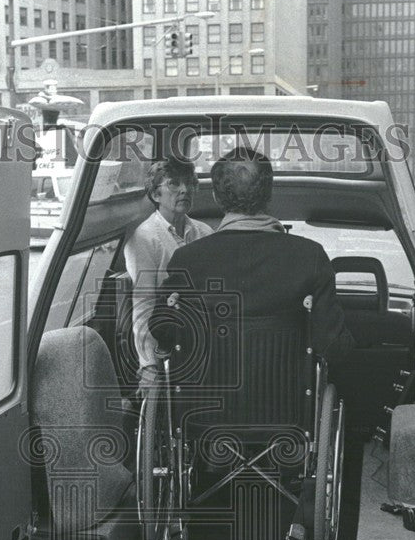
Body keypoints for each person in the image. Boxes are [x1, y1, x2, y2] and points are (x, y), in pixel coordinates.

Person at [151, 146, 354, 365]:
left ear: (216, 198)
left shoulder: (187, 260)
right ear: (269, 194)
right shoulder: (310, 257)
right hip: (287, 397)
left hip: (206, 398)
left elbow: (161, 328)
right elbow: (334, 347)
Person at [123, 158, 212, 394]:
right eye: (174, 184)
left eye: (189, 183)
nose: (184, 190)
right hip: (169, 337)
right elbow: (143, 303)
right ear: (155, 194)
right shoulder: (144, 238)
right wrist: (148, 364)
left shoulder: (205, 232)